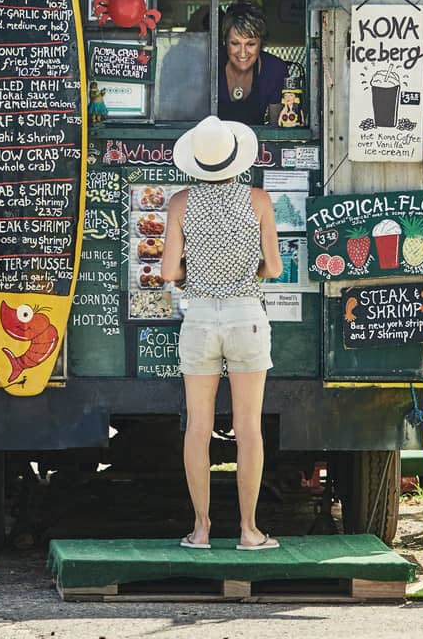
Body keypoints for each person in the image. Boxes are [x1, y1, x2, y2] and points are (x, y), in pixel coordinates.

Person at [161, 115, 283, 551]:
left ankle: (201, 530)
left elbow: (168, 271)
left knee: (198, 427)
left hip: (199, 319)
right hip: (246, 315)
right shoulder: (259, 200)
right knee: (248, 428)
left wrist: (191, 275)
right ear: (236, 158)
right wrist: (246, 271)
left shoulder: (180, 203)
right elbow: (274, 267)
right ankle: (249, 531)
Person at [216, 1, 288, 126]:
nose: (243, 53)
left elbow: (276, 128)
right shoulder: (210, 65)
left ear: (261, 43)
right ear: (225, 42)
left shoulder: (274, 70)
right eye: (235, 43)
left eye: (250, 44)